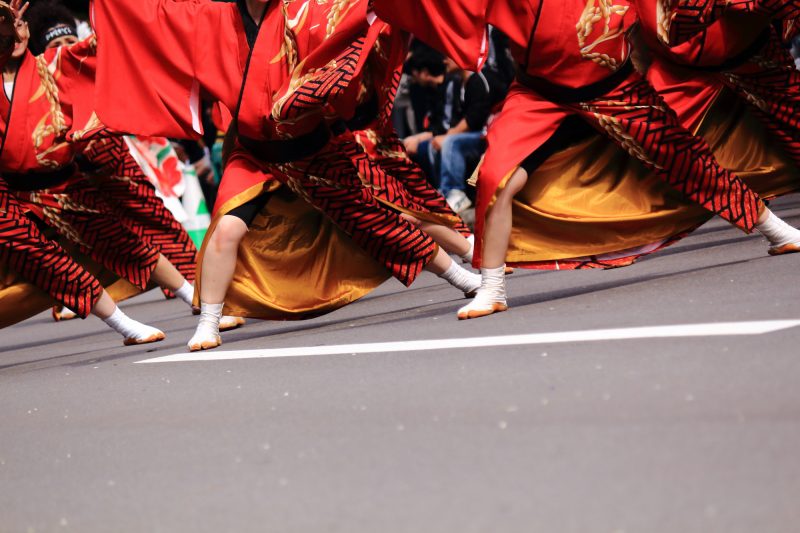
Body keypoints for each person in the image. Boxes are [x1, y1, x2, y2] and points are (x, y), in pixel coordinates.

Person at [91, 0, 482, 351]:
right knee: (226, 229)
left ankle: (462, 275)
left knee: (382, 219)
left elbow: (350, 18)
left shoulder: (304, 10)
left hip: (312, 148)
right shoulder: (213, 17)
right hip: (253, 153)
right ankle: (209, 322)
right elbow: (151, 16)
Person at [374, 0, 800, 321]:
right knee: (495, 177)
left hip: (615, 88)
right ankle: (492, 286)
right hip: (537, 93)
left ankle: (775, 229)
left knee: (684, 161)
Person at [0, 2, 200, 329]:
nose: (14, 34)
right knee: (38, 259)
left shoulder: (55, 64)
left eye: (19, 25)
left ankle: (194, 292)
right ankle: (118, 321)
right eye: (5, 29)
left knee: (125, 234)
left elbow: (106, 46)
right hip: (12, 194)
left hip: (66, 180)